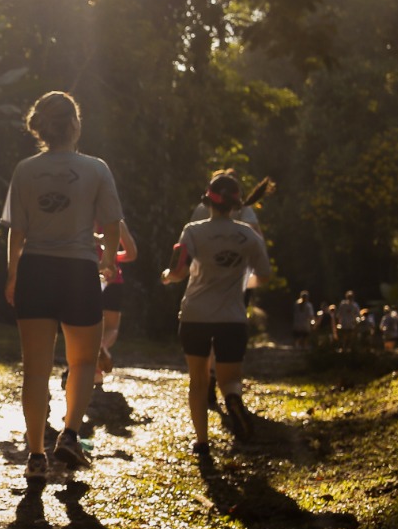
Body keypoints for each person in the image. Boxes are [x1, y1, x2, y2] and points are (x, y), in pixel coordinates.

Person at [2, 91, 122, 484]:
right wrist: (105, 260)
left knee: (35, 371)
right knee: (83, 362)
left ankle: (35, 457)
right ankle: (70, 433)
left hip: (36, 269)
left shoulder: (25, 169)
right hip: (78, 273)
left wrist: (14, 274)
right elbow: (111, 224)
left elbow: (17, 231)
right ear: (74, 124)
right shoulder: (96, 168)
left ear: (42, 127)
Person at [162, 172, 272, 459]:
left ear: (208, 202)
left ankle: (202, 443)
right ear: (237, 205)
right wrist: (240, 283)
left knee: (198, 381)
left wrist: (166, 277)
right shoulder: (249, 235)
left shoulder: (193, 231)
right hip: (232, 318)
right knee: (229, 379)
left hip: (195, 315)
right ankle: (233, 399)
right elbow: (264, 276)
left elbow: (178, 272)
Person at [94, 220, 137, 388]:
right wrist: (112, 256)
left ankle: (90, 367)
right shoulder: (116, 221)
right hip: (113, 278)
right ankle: (102, 347)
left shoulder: (82, 213)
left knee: (87, 326)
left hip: (87, 274)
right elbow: (132, 253)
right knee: (111, 327)